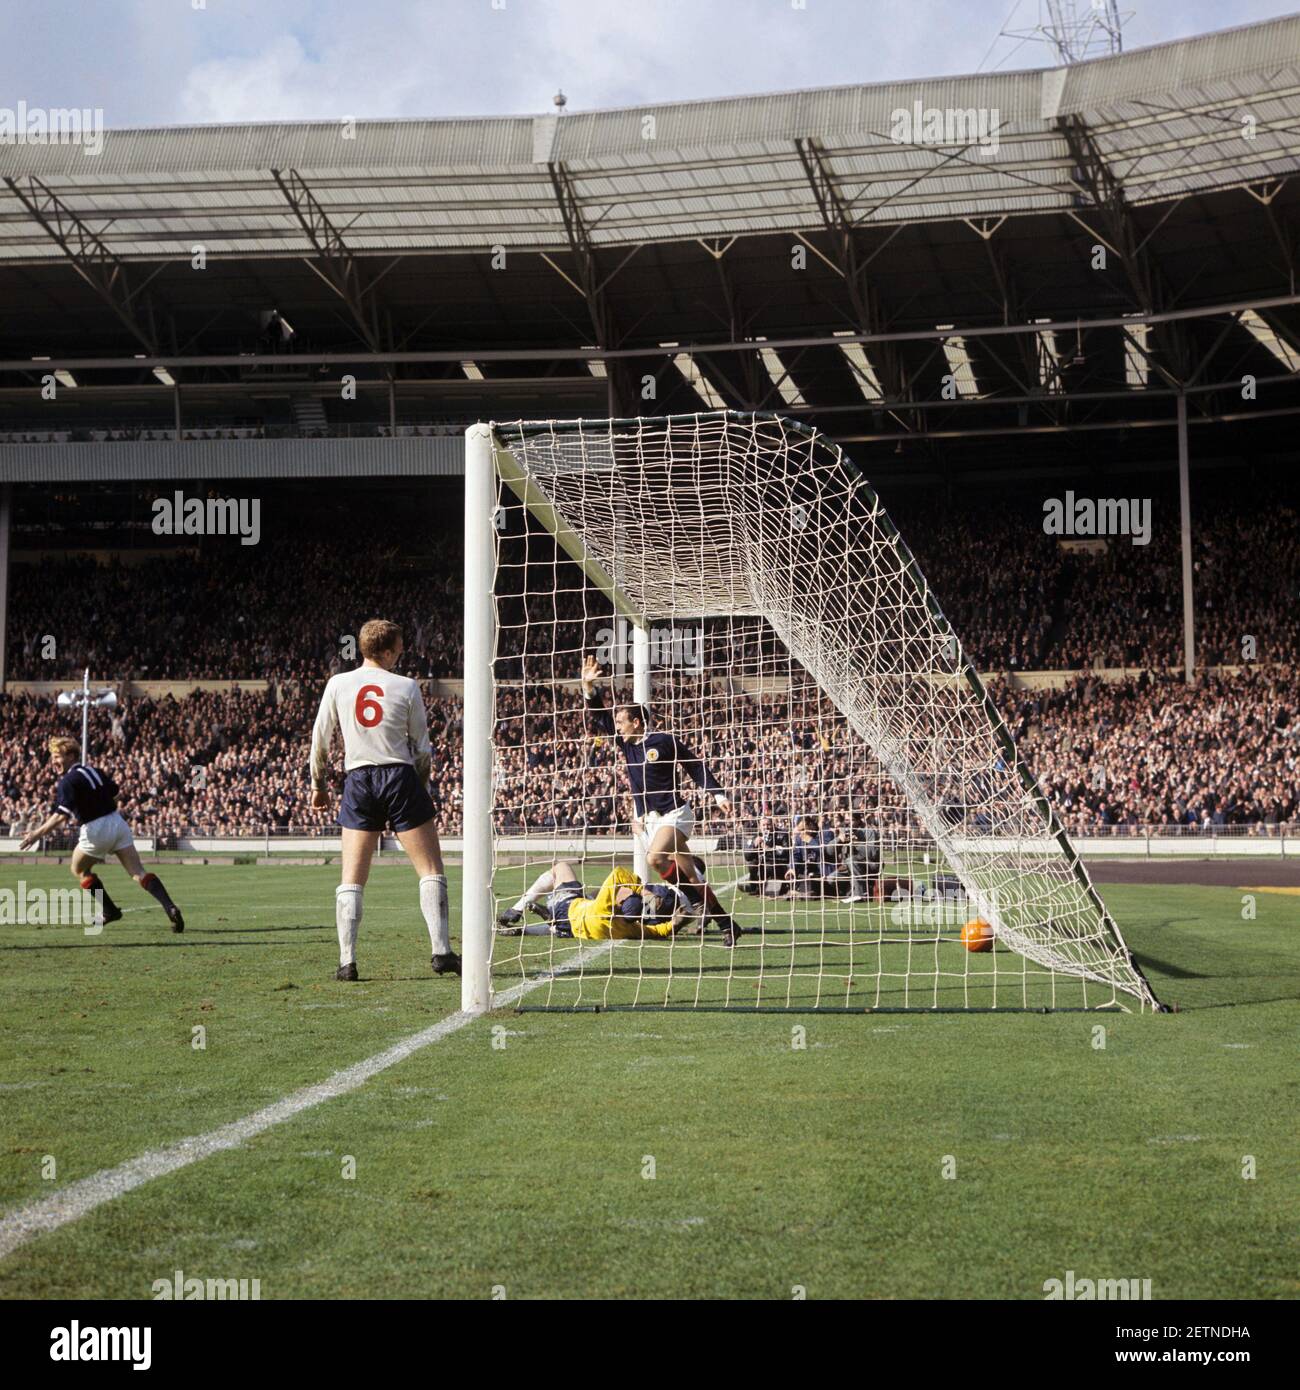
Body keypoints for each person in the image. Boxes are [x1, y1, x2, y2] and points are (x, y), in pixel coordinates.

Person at [309, 618, 459, 981]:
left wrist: (318, 785)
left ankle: (347, 962)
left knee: (352, 877)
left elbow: (320, 739)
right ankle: (441, 951)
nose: (402, 654)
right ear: (389, 651)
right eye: (399, 649)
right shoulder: (406, 686)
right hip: (399, 775)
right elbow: (422, 748)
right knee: (430, 869)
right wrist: (420, 787)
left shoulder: (337, 684)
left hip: (358, 778)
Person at [580, 655, 739, 946]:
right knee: (692, 876)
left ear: (637, 722)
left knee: (654, 858)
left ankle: (695, 902)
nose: (617, 726)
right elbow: (599, 716)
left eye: (621, 721)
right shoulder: (626, 746)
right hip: (652, 821)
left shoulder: (663, 742)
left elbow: (694, 764)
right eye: (616, 722)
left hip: (675, 814)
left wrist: (717, 793)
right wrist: (589, 687)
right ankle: (726, 923)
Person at [17, 736, 184, 932]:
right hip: (117, 822)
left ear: (71, 755)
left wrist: (35, 835)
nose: (54, 762)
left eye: (57, 756)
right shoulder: (93, 770)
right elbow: (115, 791)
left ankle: (109, 911)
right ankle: (170, 908)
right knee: (138, 872)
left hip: (95, 828)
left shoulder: (68, 781)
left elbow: (60, 817)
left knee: (78, 870)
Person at [494, 861, 690, 940]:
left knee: (560, 867)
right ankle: (533, 927)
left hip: (568, 905)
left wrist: (642, 890)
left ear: (620, 904)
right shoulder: (628, 929)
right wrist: (673, 924)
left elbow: (618, 873)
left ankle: (516, 910)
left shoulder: (605, 909)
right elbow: (654, 931)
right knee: (567, 925)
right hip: (573, 929)